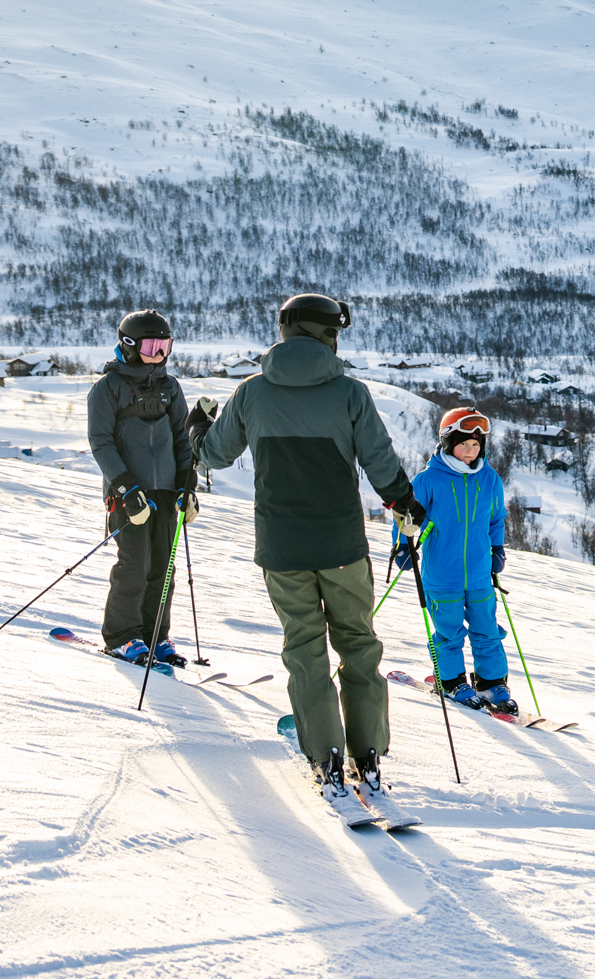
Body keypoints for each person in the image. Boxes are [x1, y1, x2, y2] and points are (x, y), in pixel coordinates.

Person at [193, 292, 422, 808]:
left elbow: (214, 456)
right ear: (327, 335)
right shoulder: (350, 393)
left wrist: (197, 430)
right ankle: (368, 758)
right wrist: (403, 502)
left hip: (282, 547)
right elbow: (380, 462)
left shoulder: (252, 393)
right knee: (358, 645)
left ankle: (325, 759)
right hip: (342, 544)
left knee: (305, 651)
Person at [86, 308, 196, 666]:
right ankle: (122, 637)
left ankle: (156, 635)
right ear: (129, 345)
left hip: (166, 492)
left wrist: (187, 485)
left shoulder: (170, 387)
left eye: (165, 347)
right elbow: (101, 442)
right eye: (151, 347)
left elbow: (182, 439)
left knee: (163, 568)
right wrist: (125, 489)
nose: (159, 355)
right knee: (134, 565)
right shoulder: (107, 388)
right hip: (128, 494)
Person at [398, 406, 514, 713]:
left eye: (476, 444)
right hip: (442, 573)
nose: (471, 450)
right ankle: (451, 682)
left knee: (487, 630)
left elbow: (496, 518)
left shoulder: (489, 478)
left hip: (479, 573)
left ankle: (492, 684)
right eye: (464, 444)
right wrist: (402, 547)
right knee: (449, 632)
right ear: (448, 443)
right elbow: (407, 515)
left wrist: (497, 549)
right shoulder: (429, 479)